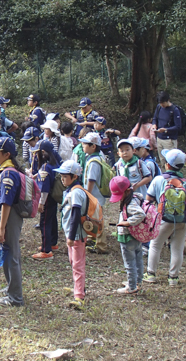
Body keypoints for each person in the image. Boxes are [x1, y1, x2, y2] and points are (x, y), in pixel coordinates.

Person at [143, 149, 186, 286]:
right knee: (177, 248)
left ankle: (151, 274)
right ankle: (173, 277)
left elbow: (148, 199)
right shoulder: (185, 182)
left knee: (155, 245)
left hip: (163, 219)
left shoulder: (159, 179)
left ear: (167, 165)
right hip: (182, 220)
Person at [0, 137, 24, 307]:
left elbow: (6, 202)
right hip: (3, 217)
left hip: (8, 218)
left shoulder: (9, 173)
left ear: (7, 154)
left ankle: (15, 298)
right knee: (7, 252)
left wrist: (2, 227)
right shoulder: (3, 170)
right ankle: (11, 287)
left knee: (12, 256)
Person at [54, 160, 87, 309]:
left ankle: (79, 296)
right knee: (73, 262)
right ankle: (77, 287)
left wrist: (72, 237)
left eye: (65, 176)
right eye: (61, 176)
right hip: (71, 234)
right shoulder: (70, 190)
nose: (62, 179)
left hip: (77, 235)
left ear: (74, 177)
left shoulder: (76, 192)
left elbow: (75, 215)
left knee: (78, 265)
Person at [110, 176, 146, 294]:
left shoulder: (130, 203)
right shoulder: (136, 198)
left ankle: (131, 286)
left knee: (130, 262)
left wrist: (127, 222)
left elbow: (140, 214)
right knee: (138, 259)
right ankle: (137, 282)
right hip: (136, 235)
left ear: (127, 191)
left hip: (127, 236)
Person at [79, 132, 108, 254]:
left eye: (85, 144)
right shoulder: (98, 157)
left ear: (93, 146)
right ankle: (92, 238)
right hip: (96, 196)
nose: (83, 145)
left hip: (94, 196)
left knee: (98, 220)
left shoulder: (94, 162)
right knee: (93, 218)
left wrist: (87, 194)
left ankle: (101, 245)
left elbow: (91, 179)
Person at [32, 140, 61, 260]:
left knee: (44, 223)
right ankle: (53, 243)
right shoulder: (55, 164)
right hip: (53, 197)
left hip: (47, 198)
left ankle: (46, 250)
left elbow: (44, 188)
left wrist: (41, 203)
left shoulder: (45, 167)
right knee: (52, 219)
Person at [151, 91, 182, 166]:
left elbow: (178, 126)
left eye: (163, 103)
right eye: (160, 103)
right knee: (162, 160)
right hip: (160, 138)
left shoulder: (174, 110)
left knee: (171, 161)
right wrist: (154, 125)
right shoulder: (159, 107)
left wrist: (166, 130)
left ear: (168, 100)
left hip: (169, 139)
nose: (162, 105)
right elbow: (155, 118)